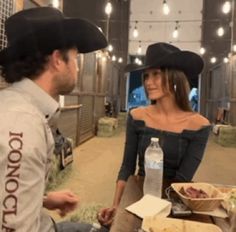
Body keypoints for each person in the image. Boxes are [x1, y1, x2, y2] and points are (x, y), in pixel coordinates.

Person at [0, 7, 108, 232]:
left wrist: (44, 198)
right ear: (58, 59)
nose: (77, 68)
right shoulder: (24, 125)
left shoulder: (13, 104)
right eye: (75, 59)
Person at [98, 42, 211, 227]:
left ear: (174, 77)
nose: (149, 82)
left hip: (174, 202)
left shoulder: (200, 125)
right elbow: (127, 167)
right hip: (138, 197)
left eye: (156, 74)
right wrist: (116, 206)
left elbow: (182, 179)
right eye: (146, 76)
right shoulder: (137, 116)